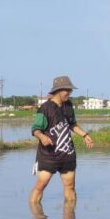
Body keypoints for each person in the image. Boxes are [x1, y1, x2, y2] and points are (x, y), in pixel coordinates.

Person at [29, 75, 95, 204]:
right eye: (67, 90)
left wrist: (84, 135)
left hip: (67, 154)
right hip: (49, 155)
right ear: (58, 90)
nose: (69, 93)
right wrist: (42, 137)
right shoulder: (45, 109)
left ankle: (70, 215)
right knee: (40, 186)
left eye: (70, 90)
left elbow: (72, 124)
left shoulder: (68, 106)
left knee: (70, 187)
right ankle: (35, 213)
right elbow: (35, 129)